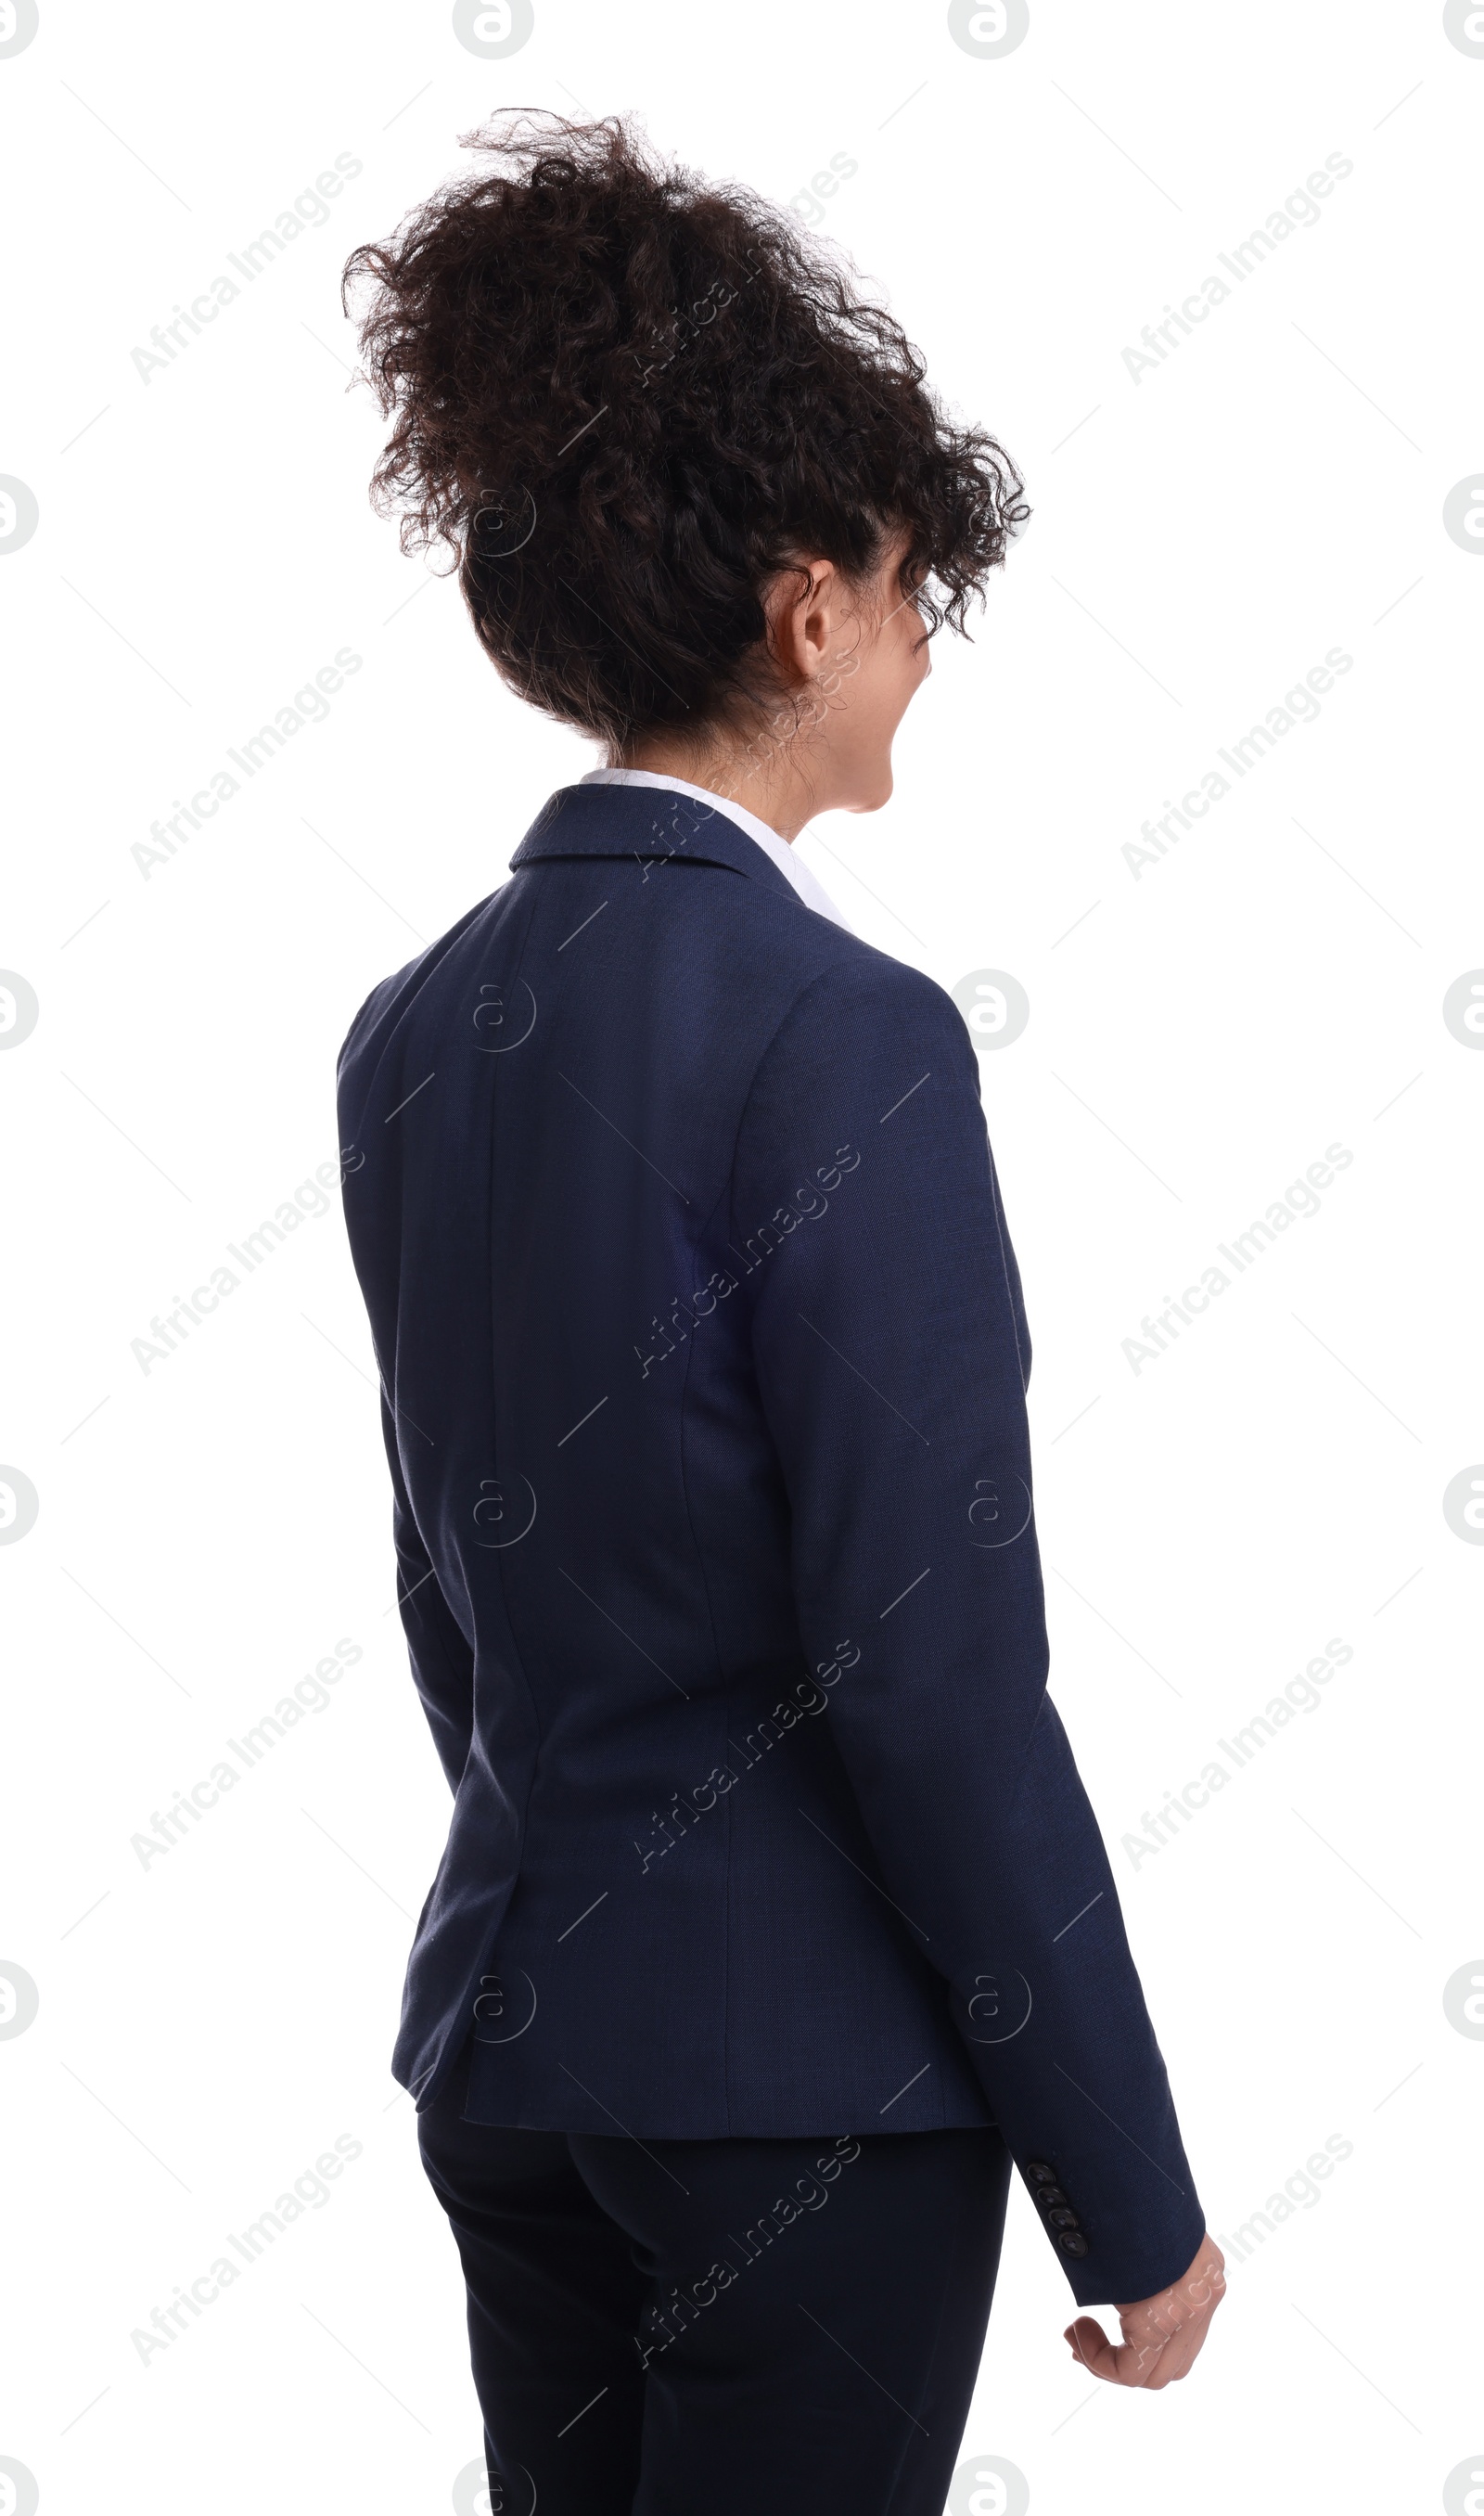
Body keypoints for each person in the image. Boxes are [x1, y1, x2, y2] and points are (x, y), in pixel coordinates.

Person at [337, 110, 1222, 2516]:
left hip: (521, 2059)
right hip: (801, 2106)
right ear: (809, 608)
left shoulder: (415, 1036)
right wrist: (1128, 2190)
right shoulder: (850, 1038)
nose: (930, 653)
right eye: (921, 594)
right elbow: (927, 1667)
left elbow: (453, 1587)